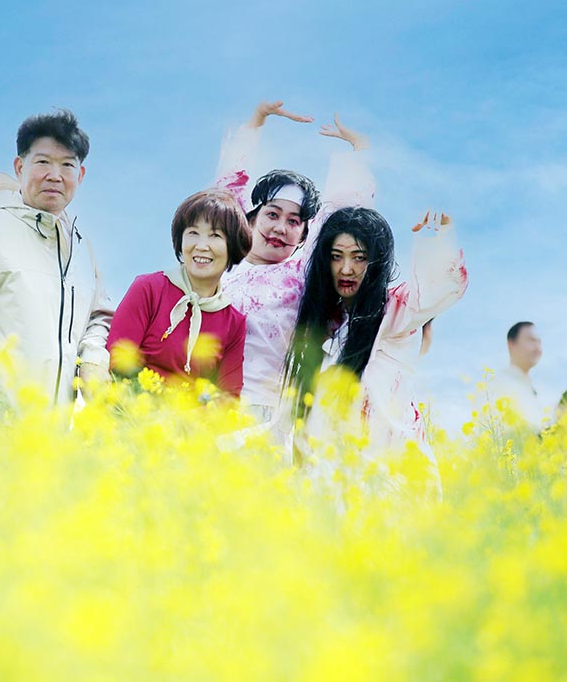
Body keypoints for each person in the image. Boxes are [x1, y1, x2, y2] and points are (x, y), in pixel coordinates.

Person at [0, 110, 113, 410]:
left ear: (80, 175)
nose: (55, 175)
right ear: (19, 167)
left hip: (56, 432)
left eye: (67, 165)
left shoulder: (82, 249)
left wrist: (93, 359)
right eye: (43, 162)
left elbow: (99, 318)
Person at [215, 101, 375, 441]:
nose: (280, 228)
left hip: (263, 414)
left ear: (304, 235)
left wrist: (358, 151)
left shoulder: (299, 278)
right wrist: (257, 119)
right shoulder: (220, 262)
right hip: (202, 405)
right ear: (251, 218)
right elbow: (227, 190)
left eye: (294, 221)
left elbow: (338, 216)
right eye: (272, 214)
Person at [283, 207, 468, 466]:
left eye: (359, 258)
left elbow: (441, 288)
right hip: (332, 473)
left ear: (377, 261)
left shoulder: (394, 311)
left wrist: (437, 238)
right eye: (336, 257)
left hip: (390, 470)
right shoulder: (324, 326)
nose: (346, 269)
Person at [107, 189, 250, 396]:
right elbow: (117, 361)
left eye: (215, 235)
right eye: (193, 233)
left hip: (190, 417)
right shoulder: (149, 288)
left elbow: (227, 397)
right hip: (129, 409)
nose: (201, 246)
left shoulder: (234, 323)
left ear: (233, 247)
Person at [490, 321, 544, 428]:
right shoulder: (498, 384)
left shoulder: (533, 389)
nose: (537, 348)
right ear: (511, 344)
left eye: (539, 342)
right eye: (531, 340)